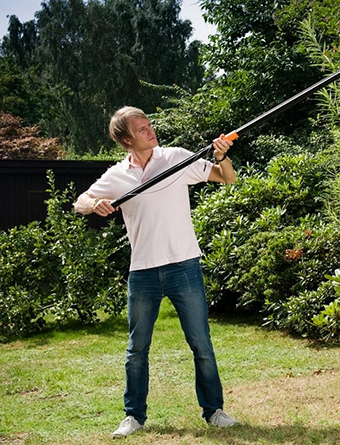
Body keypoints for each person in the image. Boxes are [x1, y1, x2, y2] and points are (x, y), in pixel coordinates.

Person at [74, 106, 239, 438]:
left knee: (200, 343)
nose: (150, 131)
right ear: (126, 139)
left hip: (184, 265)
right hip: (143, 272)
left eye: (150, 125)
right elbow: (80, 201)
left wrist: (221, 156)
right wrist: (95, 205)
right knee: (137, 348)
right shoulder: (117, 175)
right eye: (141, 128)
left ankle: (214, 411)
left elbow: (226, 178)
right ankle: (134, 416)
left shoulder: (176, 158)